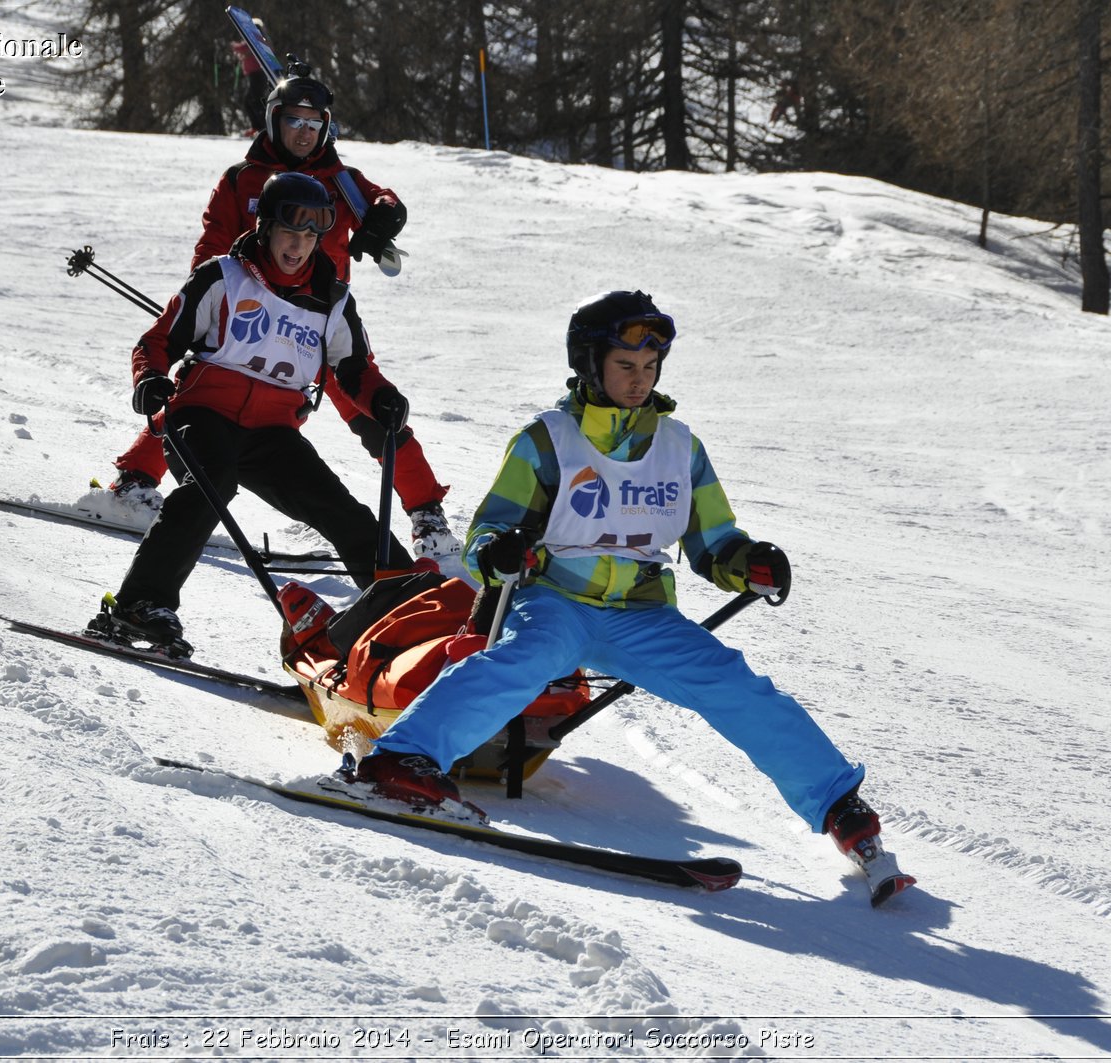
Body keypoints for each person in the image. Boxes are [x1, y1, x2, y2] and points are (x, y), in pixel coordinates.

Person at [355, 290, 894, 868]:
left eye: (650, 367)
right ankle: (402, 760)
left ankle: (838, 803)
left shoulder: (679, 448)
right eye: (625, 366)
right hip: (556, 598)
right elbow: (490, 534)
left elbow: (714, 543)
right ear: (591, 365)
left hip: (642, 613)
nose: (639, 380)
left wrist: (747, 563)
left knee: (732, 683)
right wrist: (503, 551)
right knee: (520, 661)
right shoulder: (547, 440)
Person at [105, 59, 459, 559]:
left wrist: (386, 214)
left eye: (316, 125)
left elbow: (380, 199)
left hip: (319, 321)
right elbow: (211, 246)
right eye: (294, 120)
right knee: (203, 393)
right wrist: (214, 298)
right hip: (248, 313)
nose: (304, 133)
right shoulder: (243, 180)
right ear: (273, 119)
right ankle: (136, 483)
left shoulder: (342, 181)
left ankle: (427, 516)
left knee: (375, 412)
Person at [89, 172, 415, 650]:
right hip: (202, 412)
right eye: (289, 231)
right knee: (210, 485)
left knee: (341, 509)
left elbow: (355, 369)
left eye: (311, 234)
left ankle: (407, 609)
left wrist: (381, 398)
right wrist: (151, 378)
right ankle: (141, 604)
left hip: (273, 432)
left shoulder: (332, 299)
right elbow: (158, 340)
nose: (299, 245)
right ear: (264, 227)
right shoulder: (223, 277)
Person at [230, 17, 269, 133]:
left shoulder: (257, 39)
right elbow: (244, 50)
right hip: (254, 74)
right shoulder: (254, 40)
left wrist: (232, 45)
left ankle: (264, 127)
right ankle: (257, 127)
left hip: (258, 74)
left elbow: (242, 48)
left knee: (255, 100)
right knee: (248, 101)